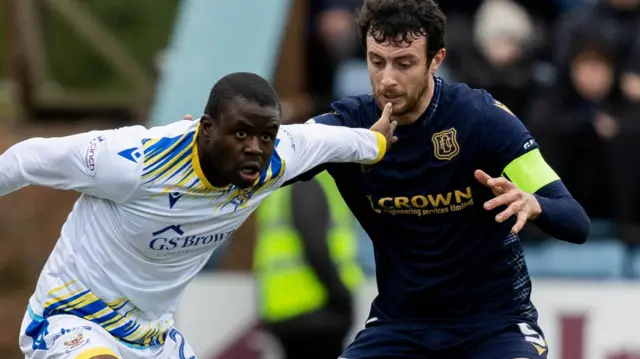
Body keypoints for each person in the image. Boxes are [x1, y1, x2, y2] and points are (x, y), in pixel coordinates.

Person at [4, 72, 396, 359]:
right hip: (73, 318)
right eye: (241, 134)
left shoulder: (278, 158)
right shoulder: (135, 160)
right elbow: (27, 159)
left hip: (154, 338)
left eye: (266, 135)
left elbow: (335, 142)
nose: (255, 148)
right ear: (206, 129)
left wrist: (376, 142)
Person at [287, 1, 591, 358]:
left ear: (436, 59)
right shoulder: (349, 125)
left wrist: (534, 203)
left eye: (404, 63)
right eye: (376, 61)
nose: (387, 79)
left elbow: (576, 221)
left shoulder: (482, 119)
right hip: (399, 328)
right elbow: (280, 154)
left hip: (495, 327)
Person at [255, 171, 362, 359]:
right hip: (315, 309)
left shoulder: (282, 183)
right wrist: (340, 295)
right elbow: (315, 246)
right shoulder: (309, 182)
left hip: (286, 308)